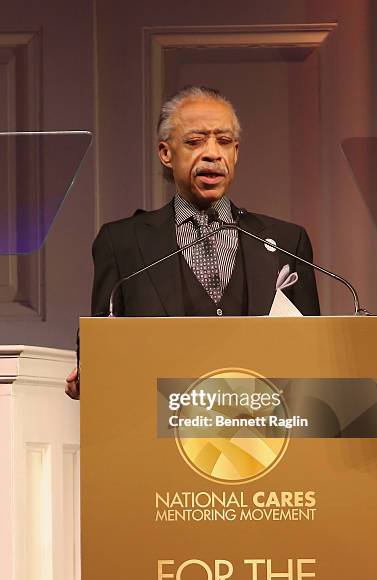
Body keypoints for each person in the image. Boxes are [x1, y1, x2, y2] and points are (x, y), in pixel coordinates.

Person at [65, 85, 320, 399]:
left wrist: (359, 372)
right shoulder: (121, 242)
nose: (213, 153)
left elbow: (314, 351)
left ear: (236, 152)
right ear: (166, 153)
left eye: (224, 141)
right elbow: (102, 333)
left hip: (261, 430)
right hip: (157, 426)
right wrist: (90, 367)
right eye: (195, 141)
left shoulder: (286, 241)